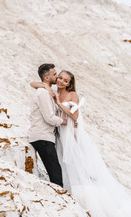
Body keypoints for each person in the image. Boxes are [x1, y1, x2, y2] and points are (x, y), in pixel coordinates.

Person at [30, 70, 131, 217]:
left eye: (65, 81)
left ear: (70, 84)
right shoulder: (51, 90)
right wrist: (45, 86)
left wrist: (58, 102)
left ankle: (87, 199)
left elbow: (74, 116)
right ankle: (69, 194)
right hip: (59, 134)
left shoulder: (72, 95)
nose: (61, 82)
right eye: (60, 78)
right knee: (63, 164)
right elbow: (32, 83)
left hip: (71, 134)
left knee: (77, 163)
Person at [29, 63, 67, 187]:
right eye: (55, 74)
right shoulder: (43, 93)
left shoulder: (47, 92)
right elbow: (49, 118)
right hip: (42, 137)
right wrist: (64, 122)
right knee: (55, 174)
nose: (57, 77)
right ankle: (59, 202)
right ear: (46, 78)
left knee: (55, 171)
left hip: (45, 137)